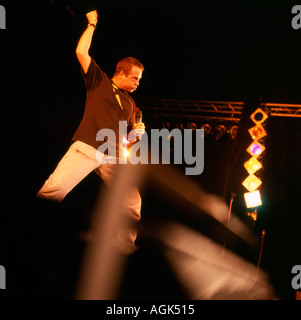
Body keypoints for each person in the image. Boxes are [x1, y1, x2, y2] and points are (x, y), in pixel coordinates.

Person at [37, 10, 145, 254]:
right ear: (121, 73)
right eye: (135, 78)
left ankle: (124, 250)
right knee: (54, 189)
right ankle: (26, 225)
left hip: (113, 154)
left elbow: (126, 139)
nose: (138, 83)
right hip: (87, 147)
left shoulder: (130, 104)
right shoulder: (100, 81)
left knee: (131, 201)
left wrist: (136, 134)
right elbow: (80, 52)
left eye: (140, 79)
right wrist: (91, 24)